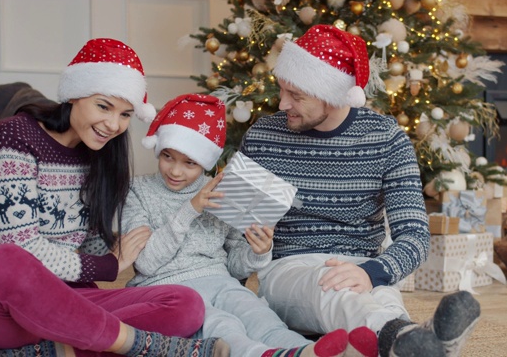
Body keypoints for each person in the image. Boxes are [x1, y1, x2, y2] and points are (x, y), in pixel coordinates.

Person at [0, 38, 228, 357]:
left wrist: (130, 245)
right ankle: (138, 345)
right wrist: (109, 266)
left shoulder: (99, 156)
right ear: (74, 95)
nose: (113, 125)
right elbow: (24, 247)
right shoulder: (14, 137)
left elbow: (89, 243)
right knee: (8, 258)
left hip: (66, 305)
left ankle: (41, 352)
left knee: (185, 304)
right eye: (103, 106)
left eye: (125, 115)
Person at [237, 25, 481, 357]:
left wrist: (372, 271)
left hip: (362, 267)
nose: (282, 104)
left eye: (296, 95)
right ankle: (401, 339)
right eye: (282, 90)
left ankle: (408, 338)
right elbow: (232, 229)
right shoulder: (263, 136)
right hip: (289, 270)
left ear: (333, 94)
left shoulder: (387, 139)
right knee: (332, 288)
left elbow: (415, 235)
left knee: (380, 297)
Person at [123, 93, 381, 357]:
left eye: (189, 163)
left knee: (259, 314)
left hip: (220, 280)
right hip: (168, 289)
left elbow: (235, 267)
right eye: (168, 156)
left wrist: (258, 252)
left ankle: (309, 352)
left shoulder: (220, 190)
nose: (176, 171)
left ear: (205, 163)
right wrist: (190, 209)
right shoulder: (138, 190)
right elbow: (145, 264)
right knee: (223, 324)